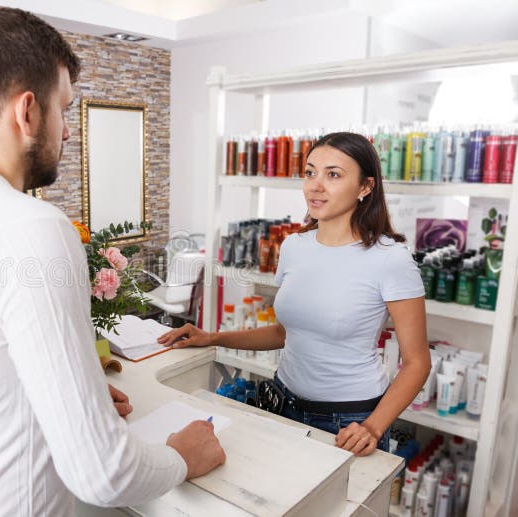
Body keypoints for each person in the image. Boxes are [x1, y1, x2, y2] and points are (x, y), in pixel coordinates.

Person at [0, 7, 225, 517]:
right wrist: (181, 457)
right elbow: (104, 473)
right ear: (27, 112)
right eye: (64, 108)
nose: (67, 131)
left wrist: (71, 390)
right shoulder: (30, 227)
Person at [159, 132, 431, 457]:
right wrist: (212, 337)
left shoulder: (389, 258)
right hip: (281, 401)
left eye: (333, 175)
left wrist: (373, 427)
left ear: (365, 187)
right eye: (310, 172)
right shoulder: (294, 246)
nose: (315, 185)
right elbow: (286, 332)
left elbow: (417, 362)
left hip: (349, 421)